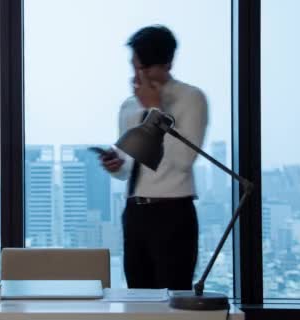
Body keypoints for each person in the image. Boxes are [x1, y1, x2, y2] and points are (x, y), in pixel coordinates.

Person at [101, 25, 208, 290]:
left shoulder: (191, 98)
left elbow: (184, 160)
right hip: (135, 212)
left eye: (146, 68)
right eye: (135, 67)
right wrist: (115, 165)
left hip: (173, 212)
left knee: (174, 298)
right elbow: (128, 168)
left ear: (168, 63)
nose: (139, 76)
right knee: (138, 299)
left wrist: (155, 108)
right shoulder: (128, 106)